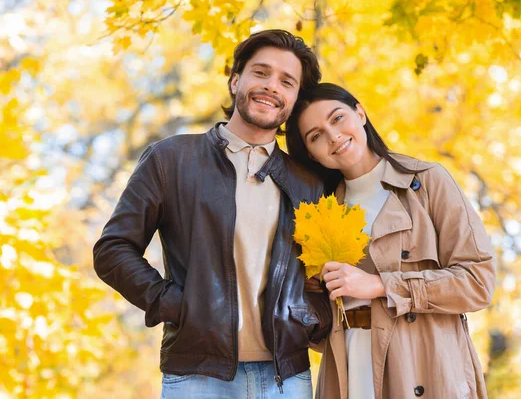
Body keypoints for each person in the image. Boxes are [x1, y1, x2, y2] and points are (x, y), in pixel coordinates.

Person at [93, 30, 332, 399]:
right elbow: (112, 250)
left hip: (287, 377)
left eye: (287, 81)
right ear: (236, 79)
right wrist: (175, 304)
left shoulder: (308, 182)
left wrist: (310, 319)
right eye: (261, 73)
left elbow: (323, 272)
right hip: (196, 375)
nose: (271, 87)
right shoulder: (171, 159)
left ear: (295, 98)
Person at [285, 83, 496, 399]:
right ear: (310, 153)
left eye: (337, 118)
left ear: (360, 112)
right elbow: (318, 326)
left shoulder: (425, 183)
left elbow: (478, 282)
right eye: (315, 136)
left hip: (424, 369)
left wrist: (382, 286)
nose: (333, 136)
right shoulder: (318, 213)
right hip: (349, 373)